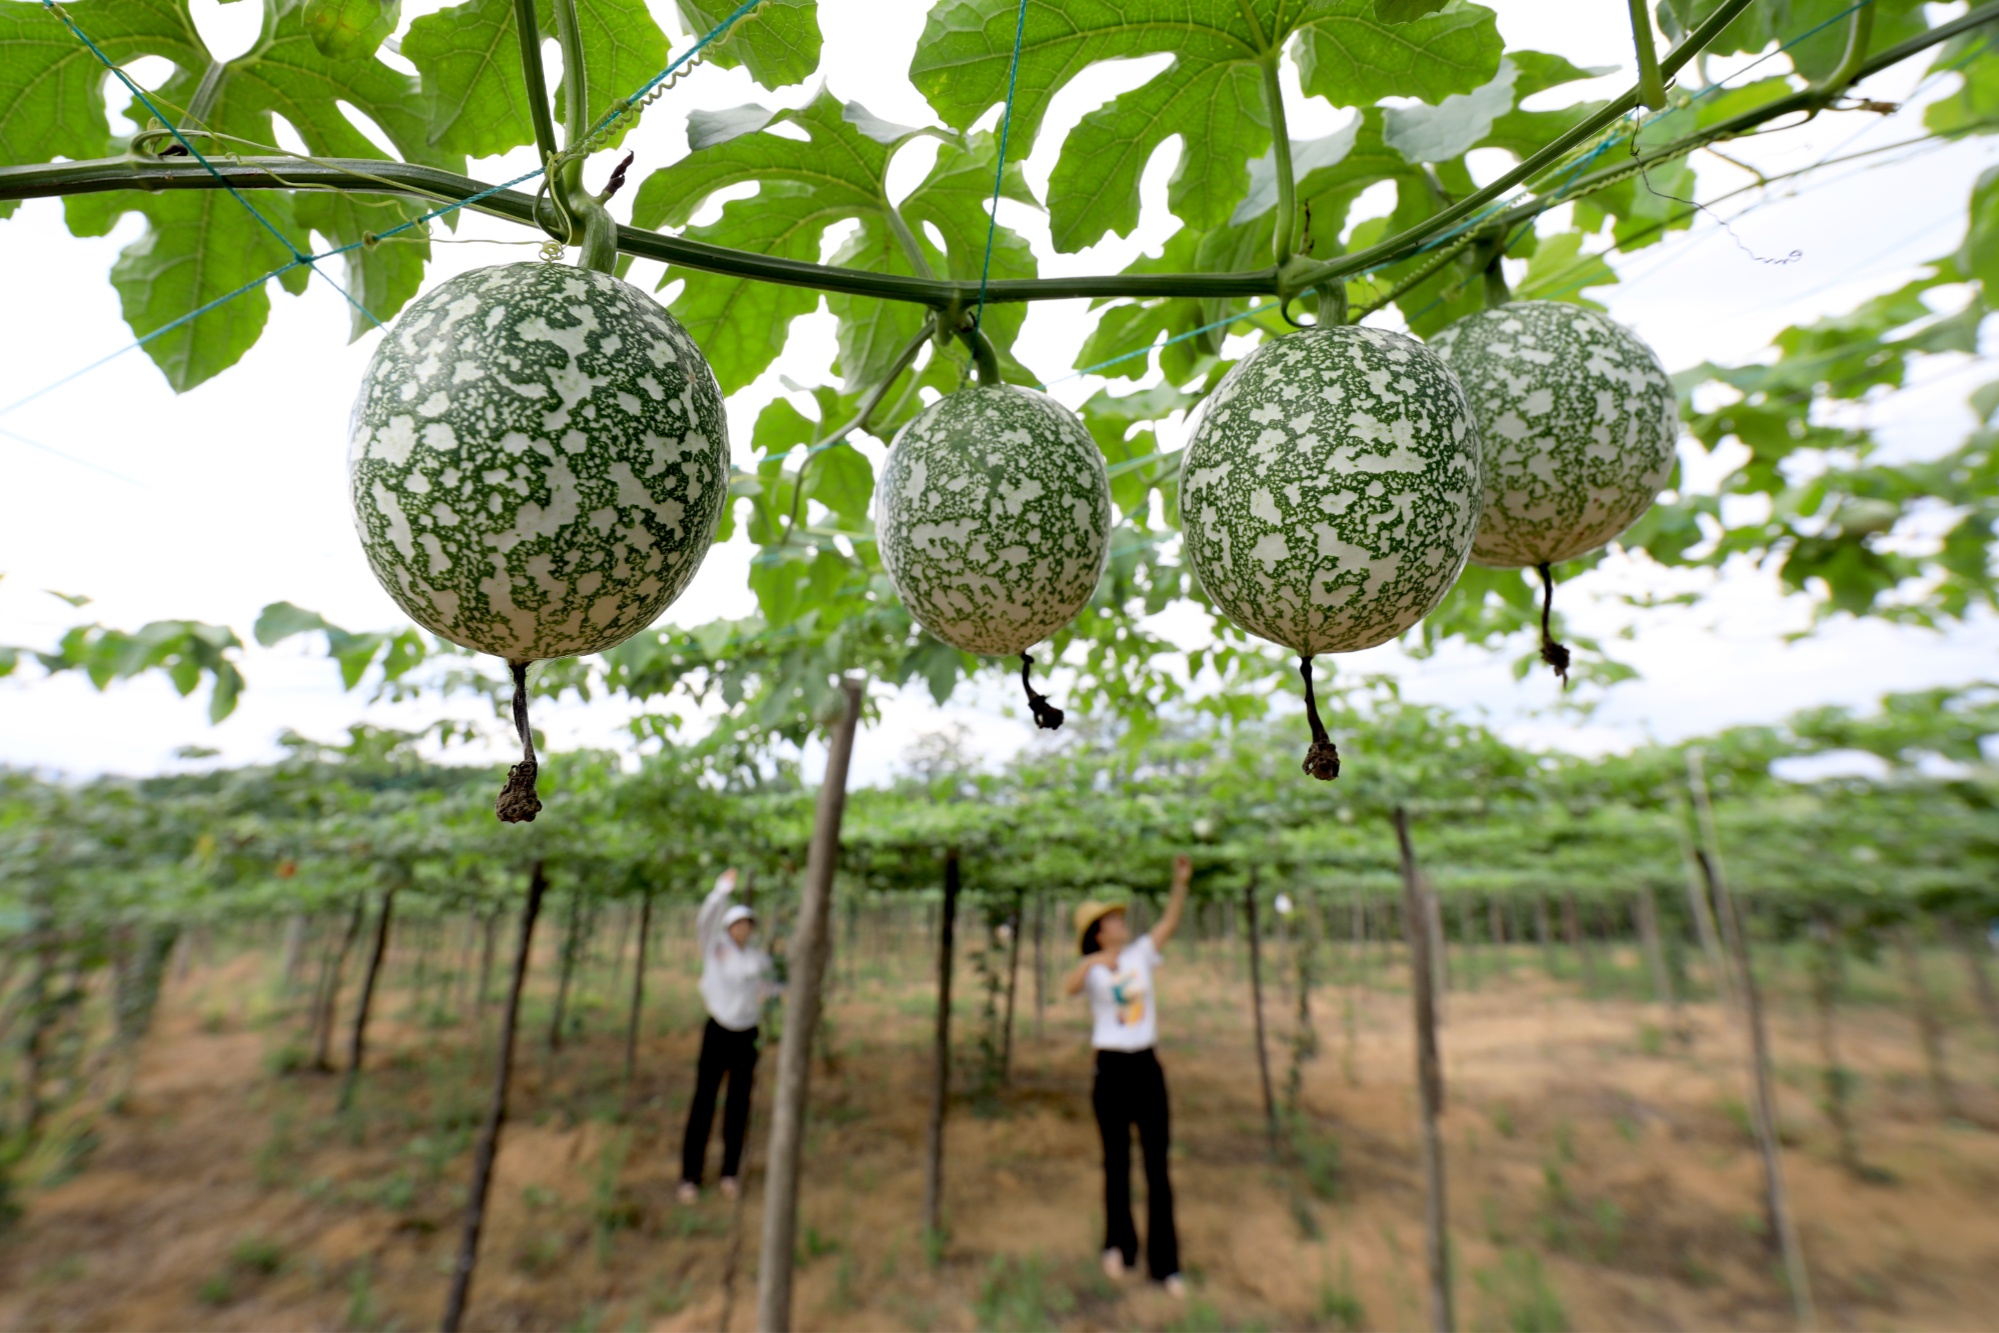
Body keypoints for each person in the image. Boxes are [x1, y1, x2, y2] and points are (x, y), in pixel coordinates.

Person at [1064, 853, 1192, 1297]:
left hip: (1146, 1066)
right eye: (1114, 920)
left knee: (1158, 1166)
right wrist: (1097, 960)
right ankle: (1118, 1245)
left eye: (1119, 918)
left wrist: (1180, 884)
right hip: (1111, 1069)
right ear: (1100, 932)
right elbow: (1070, 986)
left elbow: (1169, 924)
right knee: (1116, 1162)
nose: (1122, 922)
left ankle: (1166, 1265)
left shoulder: (1140, 953)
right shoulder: (1095, 968)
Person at [678, 869, 780, 1203]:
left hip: (747, 1034)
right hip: (718, 1030)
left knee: (739, 1104)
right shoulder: (715, 948)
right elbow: (705, 920)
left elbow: (772, 985)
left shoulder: (756, 958)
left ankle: (730, 1172)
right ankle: (690, 1176)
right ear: (728, 926)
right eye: (738, 923)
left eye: (748, 924)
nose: (743, 929)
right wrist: (722, 891)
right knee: (704, 1102)